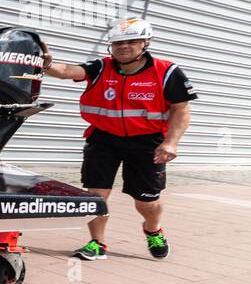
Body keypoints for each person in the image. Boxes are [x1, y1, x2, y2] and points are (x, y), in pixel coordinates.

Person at [42, 16, 196, 261]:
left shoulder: (167, 72)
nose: (123, 47)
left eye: (131, 41)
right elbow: (69, 71)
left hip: (147, 143)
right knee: (96, 197)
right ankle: (97, 243)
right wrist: (47, 66)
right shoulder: (101, 67)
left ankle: (153, 229)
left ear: (146, 42)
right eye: (117, 43)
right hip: (103, 139)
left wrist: (171, 142)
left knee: (146, 201)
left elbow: (181, 109)